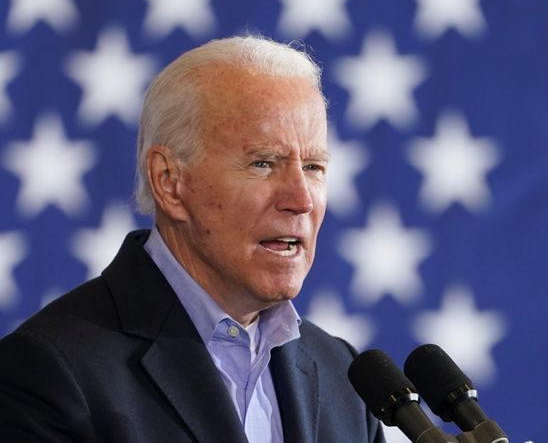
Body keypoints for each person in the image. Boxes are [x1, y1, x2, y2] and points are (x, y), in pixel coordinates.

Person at [0, 36, 385, 443]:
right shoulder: (51, 371)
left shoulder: (344, 376)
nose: (301, 199)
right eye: (263, 163)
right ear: (169, 182)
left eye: (313, 166)